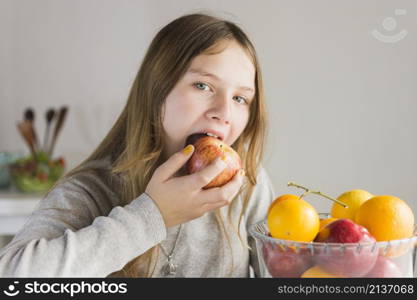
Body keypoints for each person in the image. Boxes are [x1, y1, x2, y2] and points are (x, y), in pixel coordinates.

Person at [0, 13, 274, 277]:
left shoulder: (248, 185)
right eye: (203, 86)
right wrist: (152, 214)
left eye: (240, 99)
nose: (224, 112)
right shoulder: (92, 189)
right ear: (156, 90)